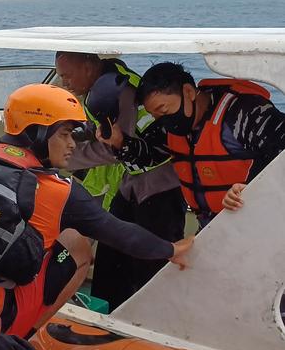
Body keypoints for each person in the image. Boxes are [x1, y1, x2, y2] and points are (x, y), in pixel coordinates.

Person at [0, 83, 193, 339]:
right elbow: (122, 235)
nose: (72, 144)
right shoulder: (59, 191)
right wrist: (172, 250)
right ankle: (17, 339)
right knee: (77, 245)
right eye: (64, 134)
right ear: (37, 132)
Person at [55, 52, 186, 310]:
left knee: (151, 265)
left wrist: (62, 157)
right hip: (131, 183)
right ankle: (108, 315)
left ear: (90, 66)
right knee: (110, 253)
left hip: (160, 185)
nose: (64, 82)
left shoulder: (115, 92)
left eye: (67, 75)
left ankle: (150, 323)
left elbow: (110, 149)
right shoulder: (103, 86)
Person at [101, 61, 285, 228]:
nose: (162, 121)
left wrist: (252, 187)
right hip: (211, 229)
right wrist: (119, 141)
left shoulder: (245, 112)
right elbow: (148, 156)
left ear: (188, 92)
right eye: (155, 116)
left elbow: (280, 149)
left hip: (260, 222)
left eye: (164, 110)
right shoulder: (171, 127)